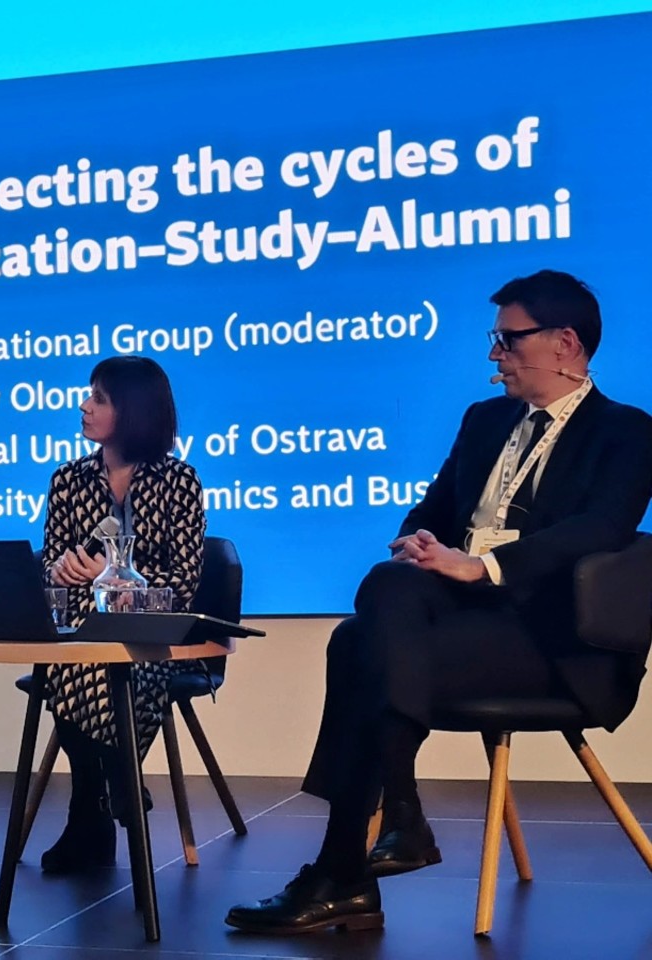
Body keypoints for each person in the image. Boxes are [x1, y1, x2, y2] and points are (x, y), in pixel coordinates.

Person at [226, 270, 652, 934]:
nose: (494, 354)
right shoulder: (485, 420)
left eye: (509, 340)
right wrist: (419, 543)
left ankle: (357, 860)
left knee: (358, 645)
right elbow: (431, 510)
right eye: (495, 339)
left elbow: (599, 530)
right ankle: (390, 821)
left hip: (556, 643)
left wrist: (482, 566)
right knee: (383, 594)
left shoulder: (626, 431)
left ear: (565, 343)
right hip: (460, 628)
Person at [38, 355, 206, 874]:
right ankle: (121, 783)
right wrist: (63, 571)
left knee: (92, 669)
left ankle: (91, 811)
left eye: (99, 399)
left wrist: (116, 583)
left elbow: (184, 584)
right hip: (83, 632)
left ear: (132, 410)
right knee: (76, 661)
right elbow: (49, 565)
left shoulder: (178, 480)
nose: (84, 406)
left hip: (154, 635)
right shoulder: (68, 479)